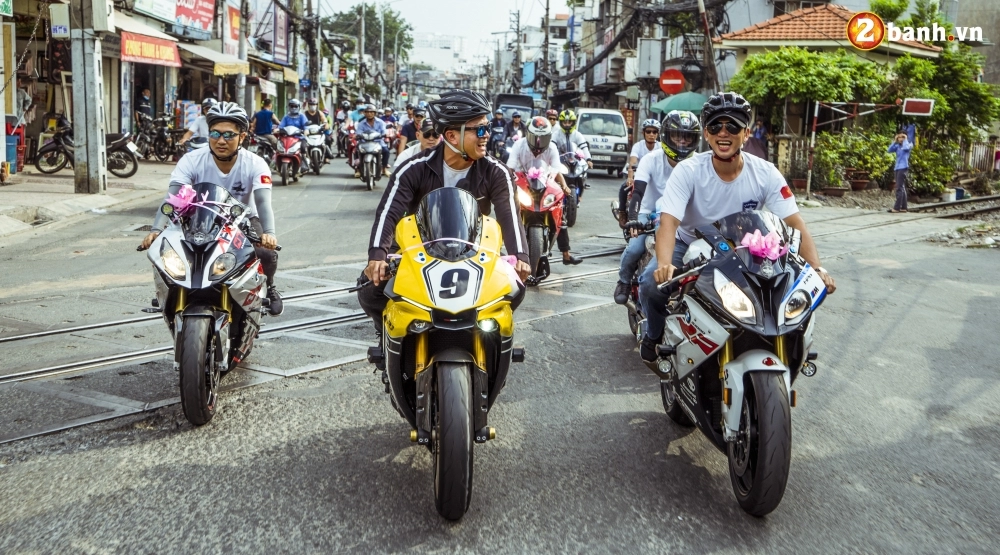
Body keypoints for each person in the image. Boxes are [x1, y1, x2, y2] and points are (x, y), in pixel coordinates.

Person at [637, 92, 836, 362]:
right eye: (715, 126)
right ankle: (653, 333)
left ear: (746, 133)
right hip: (689, 245)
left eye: (732, 126)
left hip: (744, 248)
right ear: (706, 134)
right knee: (650, 283)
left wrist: (818, 268)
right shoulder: (688, 170)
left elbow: (794, 223)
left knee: (784, 292)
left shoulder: (766, 172)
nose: (724, 133)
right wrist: (664, 264)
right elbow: (669, 222)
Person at [358, 89, 531, 333]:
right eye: (478, 129)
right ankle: (386, 337)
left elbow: (509, 216)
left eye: (487, 127)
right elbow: (389, 212)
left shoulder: (497, 172)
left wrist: (520, 257)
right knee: (370, 290)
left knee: (514, 289)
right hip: (415, 248)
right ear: (451, 135)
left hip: (474, 250)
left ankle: (490, 343)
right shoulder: (412, 169)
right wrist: (377, 255)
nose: (486, 136)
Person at [140, 102, 283, 315]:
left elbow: (262, 202)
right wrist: (156, 228)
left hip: (241, 219)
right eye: (215, 133)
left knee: (265, 253)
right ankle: (171, 290)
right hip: (196, 218)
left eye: (229, 135)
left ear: (242, 137)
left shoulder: (256, 163)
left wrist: (269, 234)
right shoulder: (191, 160)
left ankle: (269, 286)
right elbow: (174, 197)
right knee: (166, 253)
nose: (221, 140)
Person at [613, 112, 698, 305]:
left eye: (687, 137)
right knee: (635, 248)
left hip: (682, 217)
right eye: (677, 136)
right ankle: (624, 281)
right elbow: (638, 192)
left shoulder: (698, 162)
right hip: (648, 212)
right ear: (667, 136)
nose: (682, 142)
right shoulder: (651, 159)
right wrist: (634, 219)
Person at [507, 116, 582, 265]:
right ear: (528, 134)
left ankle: (566, 254)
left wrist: (564, 187)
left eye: (543, 138)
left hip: (544, 184)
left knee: (560, 215)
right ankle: (505, 250)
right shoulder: (519, 145)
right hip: (522, 185)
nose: (539, 142)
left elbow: (555, 169)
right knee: (507, 212)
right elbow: (510, 168)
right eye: (536, 137)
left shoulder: (551, 147)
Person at [618, 117, 662, 216]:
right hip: (639, 175)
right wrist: (630, 178)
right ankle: (622, 212)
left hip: (656, 177)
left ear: (658, 134)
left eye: (654, 132)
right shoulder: (638, 146)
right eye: (648, 131)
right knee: (624, 187)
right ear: (643, 133)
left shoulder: (662, 147)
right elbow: (633, 162)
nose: (651, 134)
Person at [553, 109, 593, 198]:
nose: (567, 124)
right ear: (561, 123)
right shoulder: (556, 134)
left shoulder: (577, 134)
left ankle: (580, 193)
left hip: (575, 160)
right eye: (565, 122)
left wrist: (588, 159)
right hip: (560, 161)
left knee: (582, 173)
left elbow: (584, 147)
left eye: (569, 122)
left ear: (573, 122)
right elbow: (551, 147)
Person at [356, 104, 390, 177]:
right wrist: (357, 136)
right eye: (367, 112)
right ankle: (358, 169)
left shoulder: (380, 122)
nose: (369, 114)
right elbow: (358, 133)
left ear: (375, 113)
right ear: (365, 113)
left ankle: (384, 169)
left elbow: (384, 131)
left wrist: (385, 134)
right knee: (356, 150)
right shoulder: (361, 123)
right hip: (365, 143)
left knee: (386, 151)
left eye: (371, 112)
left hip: (378, 142)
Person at [888, 131, 913, 213]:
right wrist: (894, 141)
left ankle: (897, 207)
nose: (900, 139)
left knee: (899, 187)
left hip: (903, 167)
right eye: (899, 137)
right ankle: (903, 207)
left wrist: (905, 139)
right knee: (901, 187)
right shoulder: (897, 146)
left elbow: (906, 148)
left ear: (905, 137)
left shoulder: (909, 144)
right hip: (897, 168)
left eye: (902, 137)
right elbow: (889, 150)